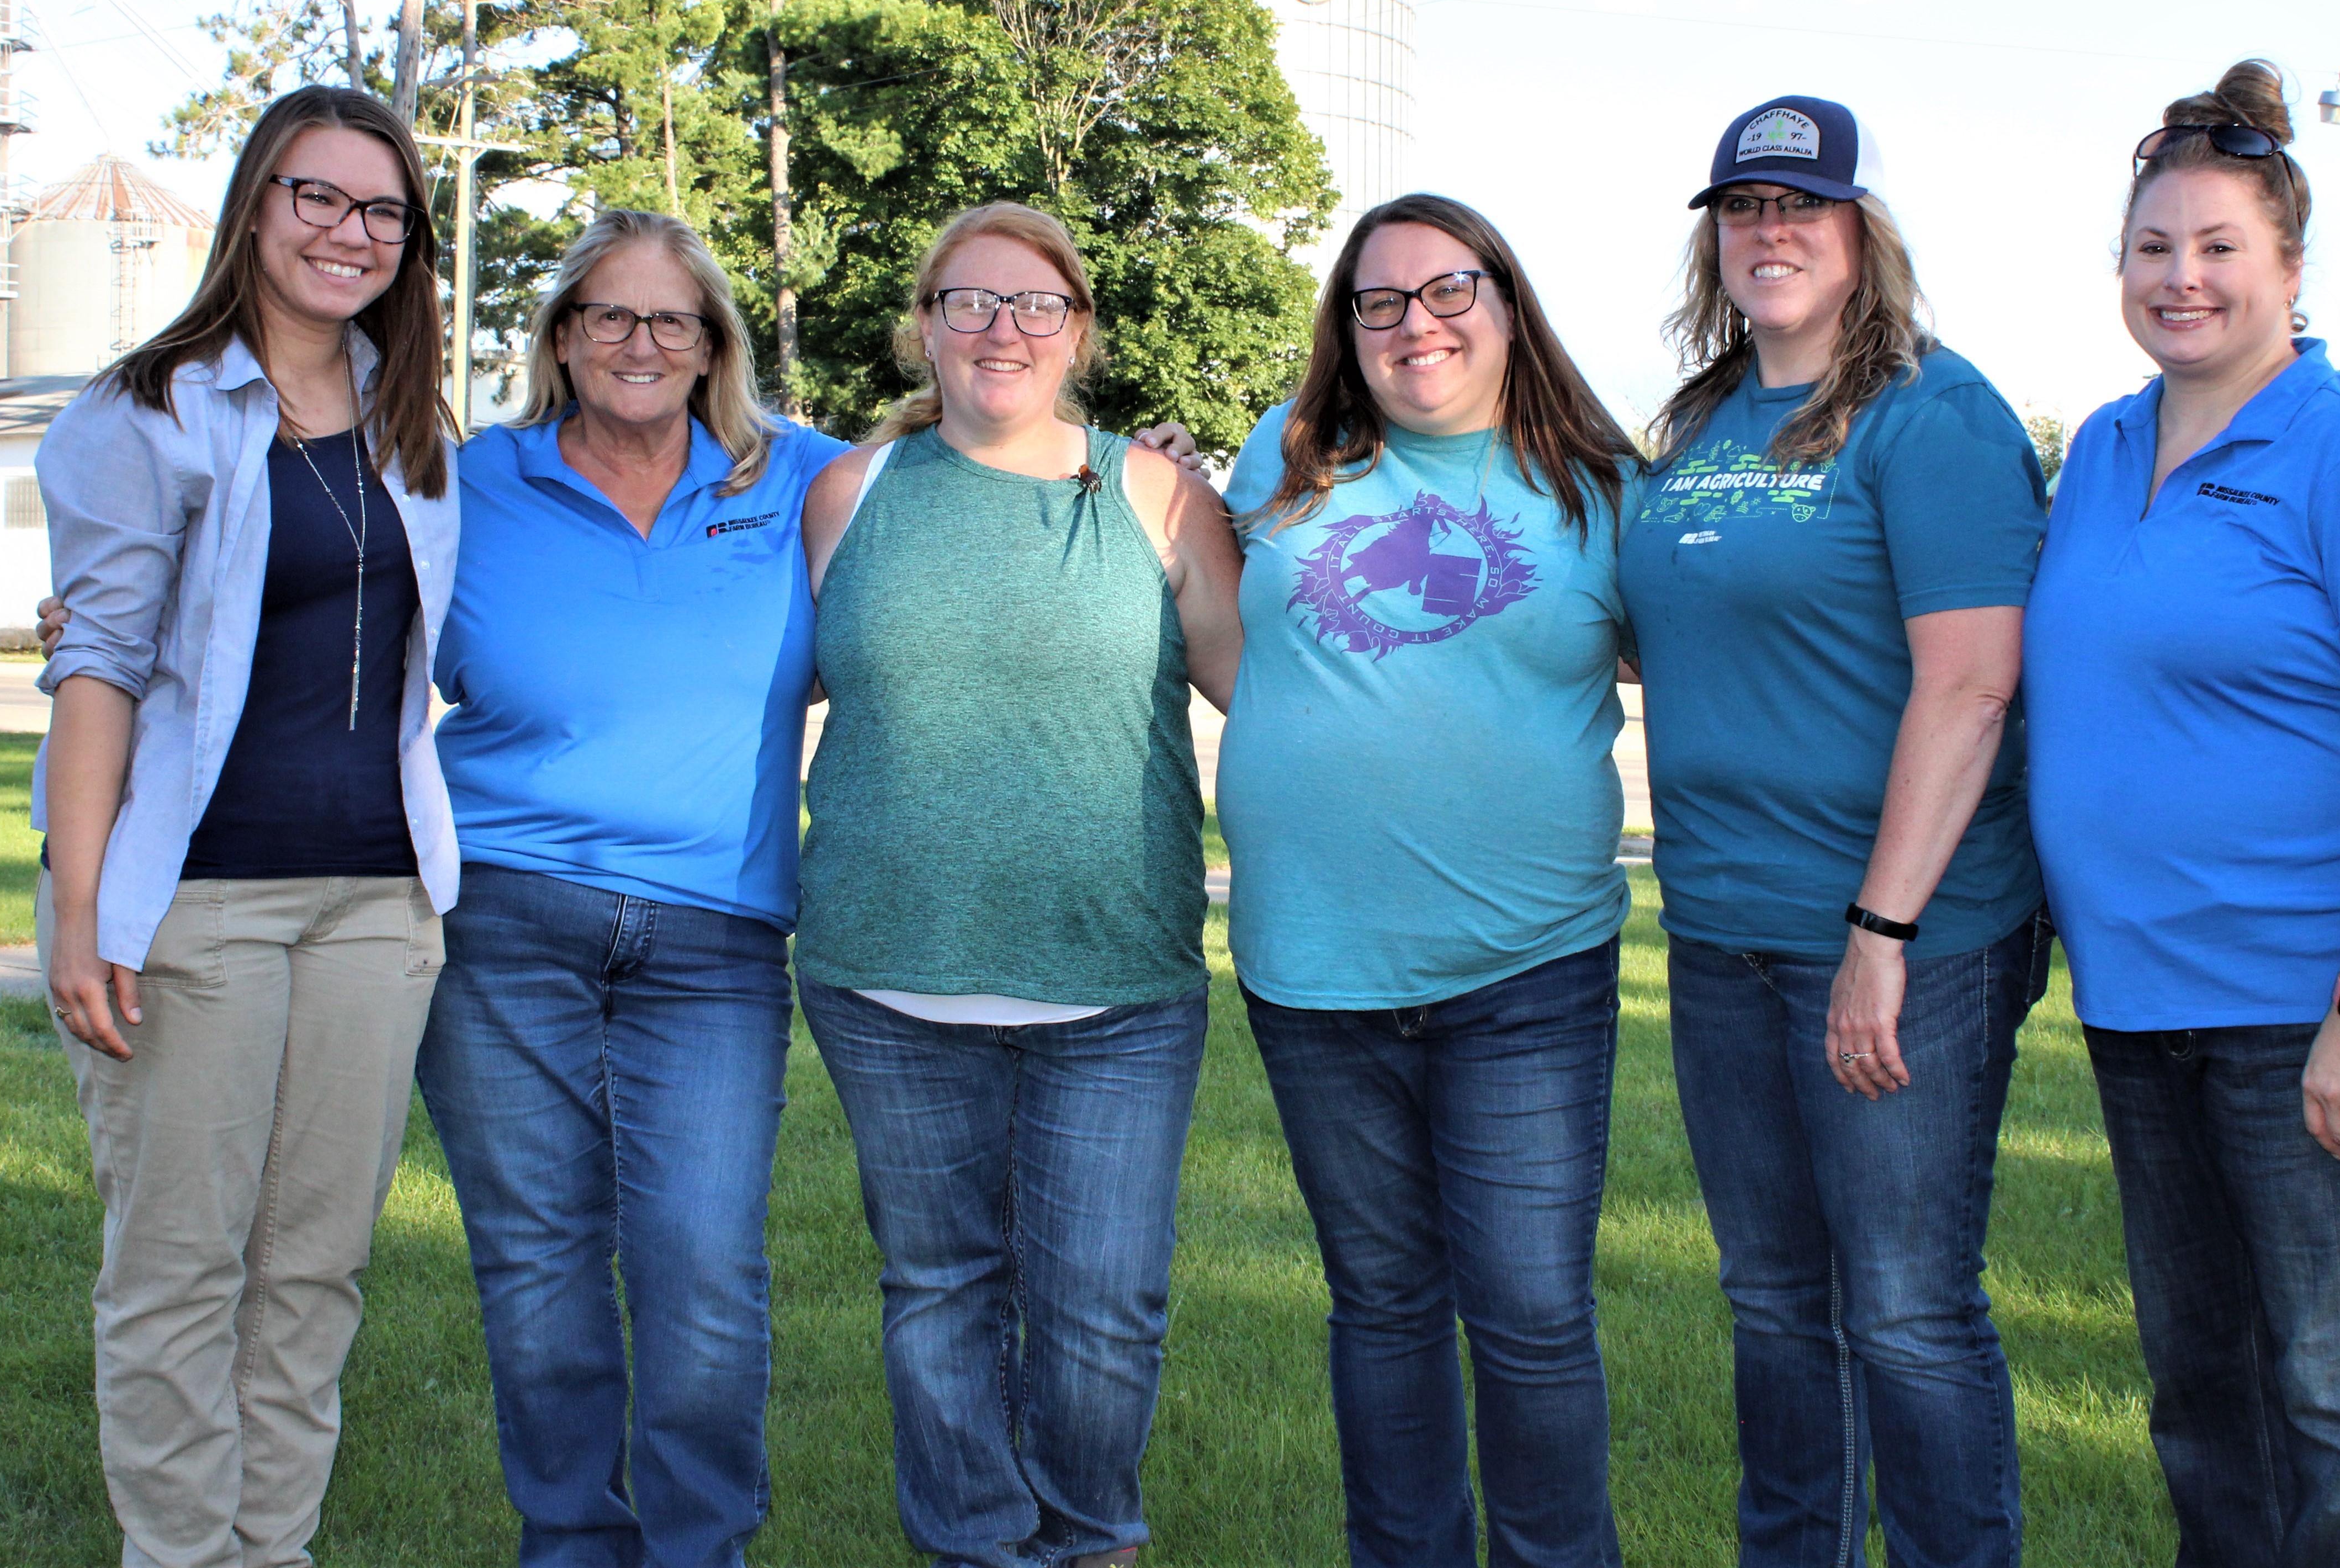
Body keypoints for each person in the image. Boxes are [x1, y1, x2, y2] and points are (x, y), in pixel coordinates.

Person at [2024, 61, 2340, 1568]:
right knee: (2199, 1388)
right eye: (2153, 248)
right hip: (2142, 1002)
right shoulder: (2098, 451)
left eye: (2218, 247)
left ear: (2288, 269)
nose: (2182, 278)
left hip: (2315, 1008)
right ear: (2116, 267)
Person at [1617, 97, 2051, 1567]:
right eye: (1742, 209)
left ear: (1859, 233)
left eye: (1800, 207)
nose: (1769, 231)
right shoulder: (1697, 424)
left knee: (1906, 1308)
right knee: (1770, 1302)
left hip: (1893, 944)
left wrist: (1879, 935)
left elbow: (1973, 683)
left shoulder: (1930, 415)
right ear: (1713, 240)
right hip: (1722, 934)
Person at [30, 84, 459, 1567]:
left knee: (313, 1274)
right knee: (175, 1276)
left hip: (374, 909)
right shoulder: (146, 410)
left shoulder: (414, 422)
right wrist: (82, 913)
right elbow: (93, 672)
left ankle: (268, 1554)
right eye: (317, 197)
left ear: (411, 243)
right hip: (196, 903)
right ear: (255, 209)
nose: (350, 231)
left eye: (382, 211)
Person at [790, 201, 1241, 1568]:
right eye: (969, 302)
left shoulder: (1159, 495)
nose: (1002, 328)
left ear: (1079, 333)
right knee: (938, 1292)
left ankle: (1092, 1535)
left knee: (1104, 1305)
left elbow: (1264, 690)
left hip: (1114, 979)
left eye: (1035, 304)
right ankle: (976, 1545)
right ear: (923, 326)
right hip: (886, 970)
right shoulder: (849, 494)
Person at [1217, 194, 1637, 1568]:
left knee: (1526, 1316)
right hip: (1311, 967)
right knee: (1381, 1307)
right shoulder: (1280, 466)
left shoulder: (1599, 492)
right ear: (1346, 328)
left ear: (1508, 302)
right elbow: (1191, 611)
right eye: (1378, 301)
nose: (1416, 323)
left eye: (1448, 289)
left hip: (1526, 970)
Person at [410, 209, 835, 1567]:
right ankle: (571, 1543)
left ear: (714, 344)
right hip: (501, 923)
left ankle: (699, 1548)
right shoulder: (470, 482)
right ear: (561, 339)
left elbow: (979, 484)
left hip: (713, 942)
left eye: (672, 320)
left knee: (702, 1265)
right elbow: (297, 569)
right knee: (537, 1261)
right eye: (609, 316)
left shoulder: (800, 480)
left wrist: (1158, 477)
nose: (640, 343)